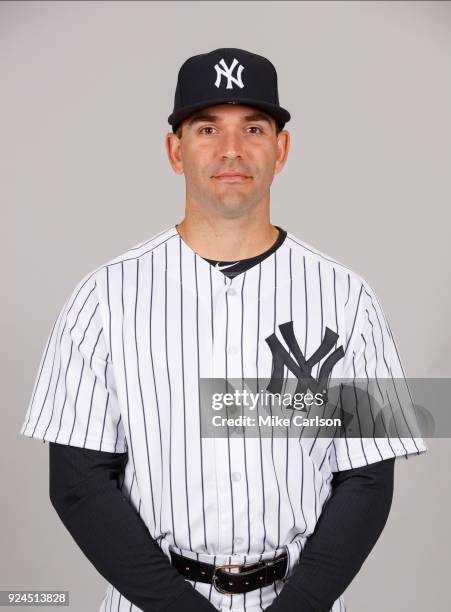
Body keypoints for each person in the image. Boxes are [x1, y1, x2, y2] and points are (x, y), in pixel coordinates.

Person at [20, 47, 427, 612]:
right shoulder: (102, 298)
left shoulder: (348, 297)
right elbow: (78, 482)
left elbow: (367, 478)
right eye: (207, 127)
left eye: (253, 127)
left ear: (281, 149)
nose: (231, 149)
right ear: (175, 150)